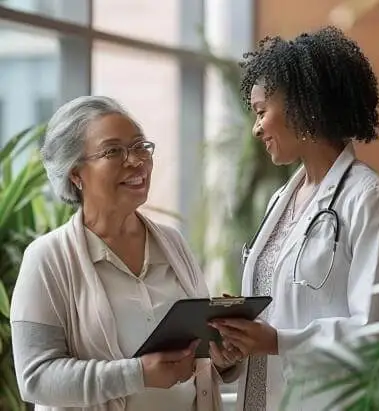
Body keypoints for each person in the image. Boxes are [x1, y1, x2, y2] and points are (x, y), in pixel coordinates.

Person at [209, 26, 379, 411]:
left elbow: (376, 334)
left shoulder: (370, 199)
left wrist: (277, 342)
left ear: (303, 106)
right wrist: (232, 349)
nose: (255, 128)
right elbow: (272, 315)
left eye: (261, 111)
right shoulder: (280, 200)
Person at [10, 96, 236, 411]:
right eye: (113, 151)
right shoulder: (47, 258)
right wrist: (137, 374)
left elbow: (197, 358)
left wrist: (220, 356)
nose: (135, 160)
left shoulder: (173, 244)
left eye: (141, 146)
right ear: (76, 174)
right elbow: (36, 378)